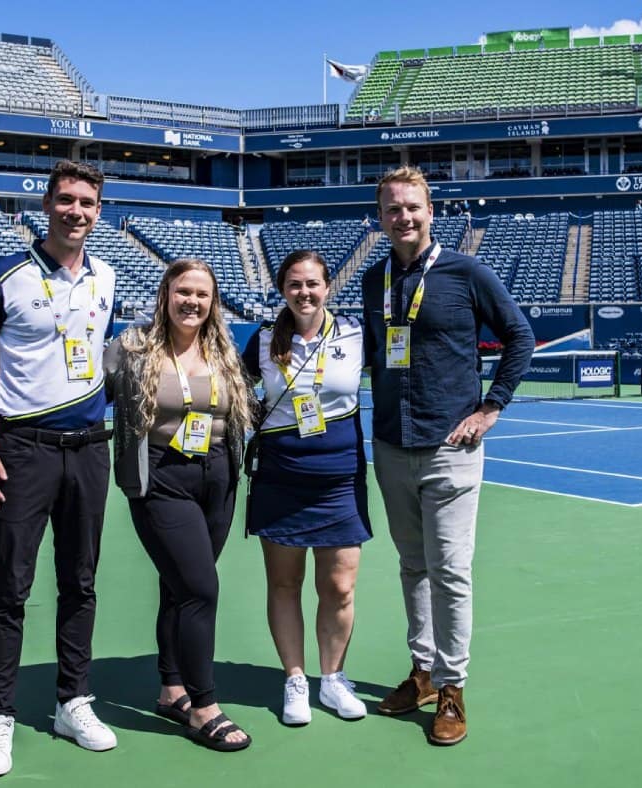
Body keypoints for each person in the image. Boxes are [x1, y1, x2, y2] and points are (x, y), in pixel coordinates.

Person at [362, 165, 534, 746]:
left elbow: (520, 336)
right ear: (380, 216)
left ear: (430, 211)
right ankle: (424, 673)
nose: (403, 217)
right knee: (413, 569)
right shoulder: (373, 278)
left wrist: (492, 408)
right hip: (390, 444)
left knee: (451, 574)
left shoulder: (466, 272)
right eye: (392, 209)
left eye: (413, 207)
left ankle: (454, 686)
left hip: (450, 449)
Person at [0, 160, 117, 778]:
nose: (77, 212)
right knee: (10, 587)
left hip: (90, 447)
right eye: (67, 200)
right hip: (23, 448)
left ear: (99, 212)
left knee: (81, 581)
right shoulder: (4, 274)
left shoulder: (107, 277)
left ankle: (71, 701)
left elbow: (107, 356)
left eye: (88, 203)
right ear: (45, 205)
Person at [104, 258, 255, 752]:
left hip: (218, 478)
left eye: (202, 294)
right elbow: (81, 387)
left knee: (179, 587)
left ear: (213, 303)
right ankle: (203, 706)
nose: (192, 301)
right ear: (166, 294)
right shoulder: (130, 348)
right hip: (161, 478)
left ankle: (172, 690)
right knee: (200, 589)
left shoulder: (225, 352)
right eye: (183, 291)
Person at [241, 250, 371, 726]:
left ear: (328, 287)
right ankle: (295, 680)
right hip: (281, 479)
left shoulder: (357, 335)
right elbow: (236, 391)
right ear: (283, 290)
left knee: (338, 586)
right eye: (295, 284)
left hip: (340, 479)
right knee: (285, 583)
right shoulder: (261, 340)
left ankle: (333, 680)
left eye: (313, 284)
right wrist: (258, 422)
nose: (305, 292)